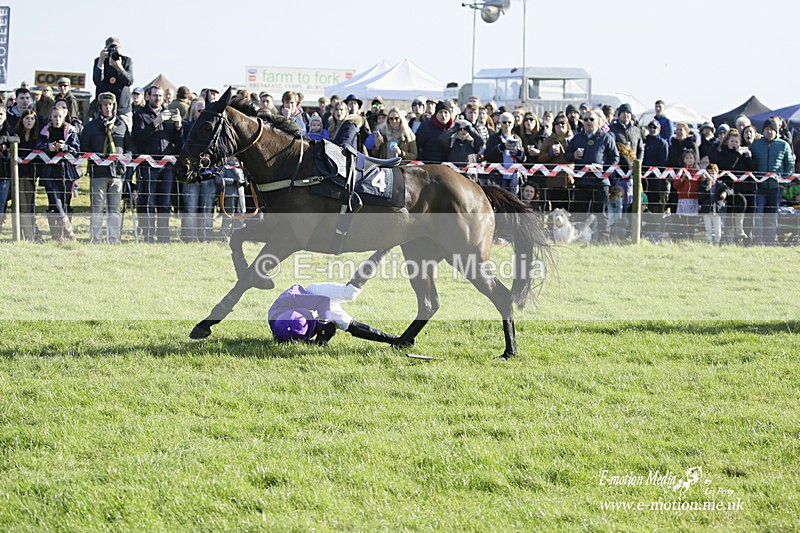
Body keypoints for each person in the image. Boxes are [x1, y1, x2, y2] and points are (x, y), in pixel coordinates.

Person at [268, 282, 398, 345]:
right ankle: (393, 340)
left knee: (349, 294)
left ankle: (377, 256)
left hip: (314, 294)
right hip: (307, 308)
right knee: (342, 323)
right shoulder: (280, 327)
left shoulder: (292, 299)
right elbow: (295, 338)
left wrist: (322, 324)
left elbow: (323, 301)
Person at [132, 85, 183, 243]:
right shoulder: (140, 115)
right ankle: (148, 236)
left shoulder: (168, 114)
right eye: (155, 95)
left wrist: (178, 126)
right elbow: (138, 138)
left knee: (165, 203)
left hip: (167, 166)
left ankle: (163, 236)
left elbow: (177, 141)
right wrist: (155, 123)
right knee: (148, 202)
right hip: (148, 165)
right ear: (148, 96)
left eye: (160, 96)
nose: (158, 98)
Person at [80, 92, 132, 244]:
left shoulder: (121, 125)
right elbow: (84, 147)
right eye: (105, 105)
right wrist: (94, 157)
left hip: (117, 173)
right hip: (98, 173)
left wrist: (127, 156)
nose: (108, 108)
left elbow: (129, 146)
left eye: (110, 105)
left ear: (114, 106)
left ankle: (114, 239)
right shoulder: (91, 127)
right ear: (100, 107)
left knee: (114, 209)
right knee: (97, 208)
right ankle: (95, 238)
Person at [565, 108, 620, 237]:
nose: (588, 122)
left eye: (591, 119)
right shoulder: (577, 138)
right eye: (585, 119)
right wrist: (573, 155)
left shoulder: (606, 137)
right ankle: (578, 238)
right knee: (580, 213)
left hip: (600, 182)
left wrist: (605, 172)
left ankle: (603, 239)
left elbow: (615, 157)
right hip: (581, 182)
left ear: (598, 121)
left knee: (601, 214)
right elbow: (566, 156)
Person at [36, 105, 80, 241]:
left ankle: (61, 235)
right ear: (51, 117)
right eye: (55, 116)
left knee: (65, 204)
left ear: (64, 116)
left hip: (67, 172)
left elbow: (76, 149)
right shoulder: (44, 131)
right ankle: (65, 233)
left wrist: (65, 147)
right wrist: (48, 147)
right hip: (49, 172)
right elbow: (37, 147)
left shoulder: (71, 131)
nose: (57, 119)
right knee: (55, 204)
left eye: (60, 116)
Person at [749, 118, 795, 244]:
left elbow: (790, 164)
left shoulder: (783, 145)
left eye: (771, 129)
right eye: (766, 129)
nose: (769, 132)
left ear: (776, 131)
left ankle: (769, 242)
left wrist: (783, 181)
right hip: (760, 187)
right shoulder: (756, 144)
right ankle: (758, 241)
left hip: (776, 188)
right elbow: (750, 162)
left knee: (771, 216)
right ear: (763, 130)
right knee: (758, 215)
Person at [715, 128, 754, 241]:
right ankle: (732, 233)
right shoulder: (722, 153)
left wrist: (749, 157)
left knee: (742, 203)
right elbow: (728, 166)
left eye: (736, 142)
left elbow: (752, 168)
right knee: (734, 206)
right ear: (727, 141)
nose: (734, 144)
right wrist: (737, 154)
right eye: (732, 141)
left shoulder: (742, 154)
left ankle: (739, 231)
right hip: (727, 187)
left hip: (741, 188)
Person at [93, 36, 134, 131]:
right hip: (103, 109)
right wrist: (101, 63)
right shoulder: (99, 61)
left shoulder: (126, 61)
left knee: (124, 135)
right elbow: (97, 81)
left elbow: (129, 81)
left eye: (116, 47)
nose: (114, 50)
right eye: (111, 48)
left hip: (122, 110)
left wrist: (119, 68)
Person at [14, 109, 42, 241]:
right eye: (27, 118)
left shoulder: (37, 137)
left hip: (31, 175)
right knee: (22, 206)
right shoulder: (16, 135)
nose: (29, 121)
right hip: (17, 175)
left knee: (29, 205)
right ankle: (27, 235)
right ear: (22, 120)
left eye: (32, 118)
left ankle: (30, 234)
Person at [538, 112, 574, 211]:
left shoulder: (573, 140)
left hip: (570, 180)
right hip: (554, 181)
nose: (560, 125)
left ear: (567, 125)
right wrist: (550, 154)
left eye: (563, 123)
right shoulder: (549, 140)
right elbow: (540, 159)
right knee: (556, 209)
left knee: (570, 210)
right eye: (557, 123)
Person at [670, 149, 701, 240]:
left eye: (691, 158)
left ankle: (691, 238)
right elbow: (675, 185)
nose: (689, 160)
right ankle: (683, 238)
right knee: (683, 220)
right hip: (683, 199)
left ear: (695, 159)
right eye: (687, 158)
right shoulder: (680, 171)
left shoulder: (698, 172)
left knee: (692, 221)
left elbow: (700, 185)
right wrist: (682, 178)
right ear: (683, 159)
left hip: (694, 199)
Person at [0, 106, 19, 235]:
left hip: (4, 174)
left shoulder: (8, 129)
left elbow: (17, 139)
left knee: (1, 202)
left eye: (1, 114)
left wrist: (3, 139)